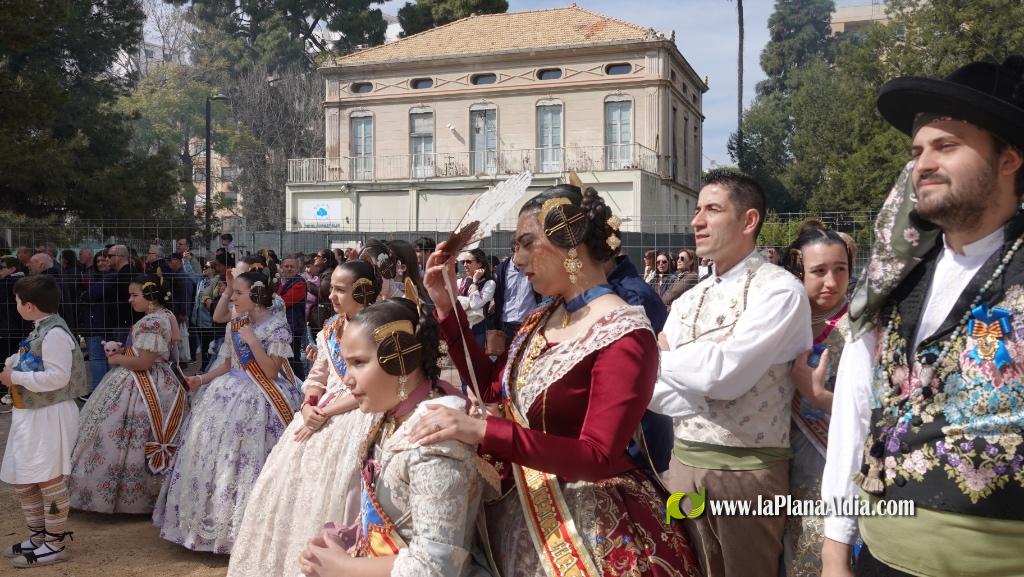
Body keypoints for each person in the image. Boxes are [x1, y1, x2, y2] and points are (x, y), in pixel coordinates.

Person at [419, 184, 701, 577]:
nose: (516, 260)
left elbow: (597, 455)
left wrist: (484, 430)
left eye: (526, 243)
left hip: (594, 525)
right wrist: (448, 308)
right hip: (525, 513)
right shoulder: (542, 318)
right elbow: (491, 389)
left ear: (569, 241)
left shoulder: (624, 333)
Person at [822, 57, 1024, 577]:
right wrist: (834, 549)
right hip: (878, 559)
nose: (923, 164)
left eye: (946, 146)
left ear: (1009, 159)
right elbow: (856, 409)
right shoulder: (895, 282)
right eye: (917, 151)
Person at [650, 169, 811, 577]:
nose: (696, 221)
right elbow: (651, 389)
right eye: (697, 209)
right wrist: (704, 372)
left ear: (749, 220)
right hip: (683, 463)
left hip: (747, 472)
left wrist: (667, 360)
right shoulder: (690, 298)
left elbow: (725, 376)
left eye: (712, 209)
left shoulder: (779, 291)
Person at [298, 298, 496, 577]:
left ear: (401, 360)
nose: (347, 379)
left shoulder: (435, 444)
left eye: (358, 363)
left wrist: (344, 567)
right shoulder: (394, 417)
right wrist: (347, 540)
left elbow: (436, 566)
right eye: (347, 365)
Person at [228, 260, 381, 577]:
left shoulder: (381, 329)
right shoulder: (330, 329)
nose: (333, 296)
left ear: (363, 290)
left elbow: (375, 385)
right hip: (320, 412)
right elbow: (318, 375)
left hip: (366, 413)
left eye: (341, 290)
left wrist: (324, 411)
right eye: (332, 289)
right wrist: (309, 403)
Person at [153, 272, 302, 553]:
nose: (233, 298)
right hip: (226, 393)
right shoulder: (237, 323)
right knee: (219, 460)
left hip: (262, 399)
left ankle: (250, 532)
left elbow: (270, 372)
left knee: (247, 460)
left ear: (256, 297)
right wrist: (201, 380)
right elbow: (226, 364)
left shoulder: (278, 329)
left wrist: (252, 340)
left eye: (238, 293)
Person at [69, 275, 187, 514]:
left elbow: (144, 362)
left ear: (151, 297)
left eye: (135, 295)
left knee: (118, 431)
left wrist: (118, 358)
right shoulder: (168, 316)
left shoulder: (150, 322)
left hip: (142, 384)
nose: (130, 300)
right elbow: (171, 345)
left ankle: (123, 496)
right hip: (165, 381)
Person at [780, 221, 852, 577]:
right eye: (819, 271)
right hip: (779, 464)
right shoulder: (777, 322)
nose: (832, 282)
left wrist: (821, 397)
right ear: (798, 272)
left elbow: (883, 410)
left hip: (835, 468)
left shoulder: (865, 326)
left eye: (840, 270)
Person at [1, 275, 85, 567]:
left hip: (50, 415)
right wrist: (14, 362)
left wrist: (15, 377)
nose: (15, 306)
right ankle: (38, 535)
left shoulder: (55, 335)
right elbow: (34, 358)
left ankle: (55, 542)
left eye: (17, 302)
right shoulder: (43, 329)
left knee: (48, 479)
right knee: (25, 479)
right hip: (32, 414)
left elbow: (58, 377)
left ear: (30, 306)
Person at [490, 249, 540, 343]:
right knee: (507, 357)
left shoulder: (534, 268)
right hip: (507, 325)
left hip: (529, 324)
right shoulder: (501, 270)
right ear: (516, 248)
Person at [276, 254, 308, 379]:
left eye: (292, 267)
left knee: (293, 359)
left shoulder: (300, 283)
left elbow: (284, 301)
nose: (289, 269)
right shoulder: (280, 282)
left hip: (293, 326)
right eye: (286, 266)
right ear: (281, 268)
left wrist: (272, 299)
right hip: (281, 326)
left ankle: (299, 384)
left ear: (297, 269)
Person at [455, 248, 495, 348]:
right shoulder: (460, 282)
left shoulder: (489, 283)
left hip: (478, 330)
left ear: (479, 264)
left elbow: (474, 304)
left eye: (468, 261)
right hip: (460, 329)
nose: (464, 265)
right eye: (463, 262)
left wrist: (475, 282)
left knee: (476, 361)